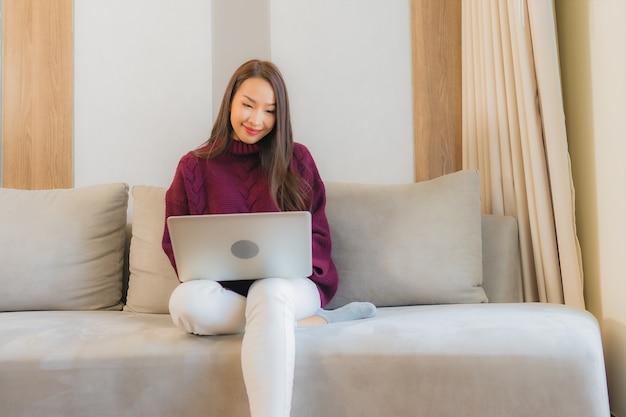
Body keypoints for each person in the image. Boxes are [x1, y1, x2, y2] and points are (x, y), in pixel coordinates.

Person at [162, 59, 376, 417]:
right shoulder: (193, 166)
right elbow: (177, 242)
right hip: (227, 293)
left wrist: (287, 269)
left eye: (270, 111)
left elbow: (319, 237)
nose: (256, 119)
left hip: (293, 287)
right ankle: (310, 322)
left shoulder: (298, 159)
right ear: (230, 100)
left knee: (271, 290)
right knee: (184, 304)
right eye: (248, 104)